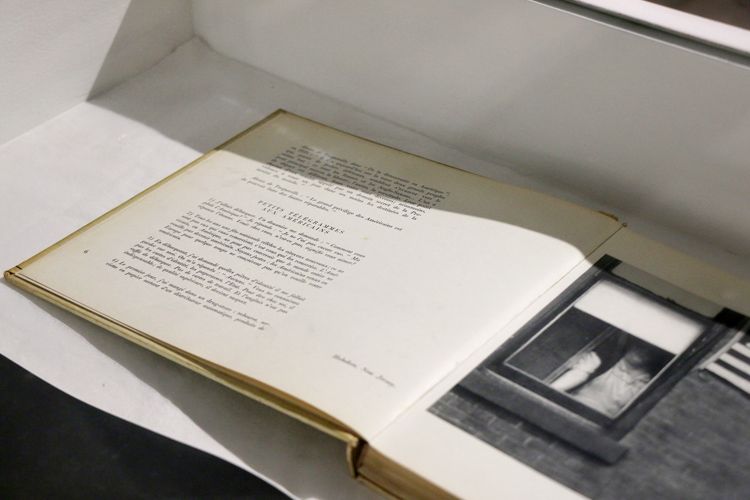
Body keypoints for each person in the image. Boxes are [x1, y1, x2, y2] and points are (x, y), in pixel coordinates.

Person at [550, 342, 659, 417]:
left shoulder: (645, 384)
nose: (644, 351)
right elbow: (578, 373)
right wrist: (550, 392)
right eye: (642, 345)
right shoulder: (605, 358)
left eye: (652, 350)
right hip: (568, 408)